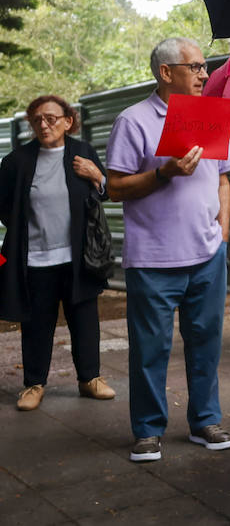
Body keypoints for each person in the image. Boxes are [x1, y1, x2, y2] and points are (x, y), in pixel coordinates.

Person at [106, 38, 230, 463]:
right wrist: (163, 173)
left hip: (207, 257)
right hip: (153, 261)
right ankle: (147, 430)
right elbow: (115, 187)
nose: (205, 74)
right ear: (166, 73)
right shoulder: (134, 120)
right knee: (150, 349)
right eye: (196, 67)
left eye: (205, 67)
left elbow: (222, 179)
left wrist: (224, 236)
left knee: (207, 344)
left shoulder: (209, 116)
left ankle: (205, 421)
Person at [0, 95, 116, 410]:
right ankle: (34, 384)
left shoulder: (83, 153)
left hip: (79, 258)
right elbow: (5, 209)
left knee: (85, 320)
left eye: (51, 118)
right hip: (36, 259)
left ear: (68, 121)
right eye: (37, 119)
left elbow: (107, 193)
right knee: (37, 323)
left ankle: (90, 379)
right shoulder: (16, 162)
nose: (44, 124)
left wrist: (97, 176)